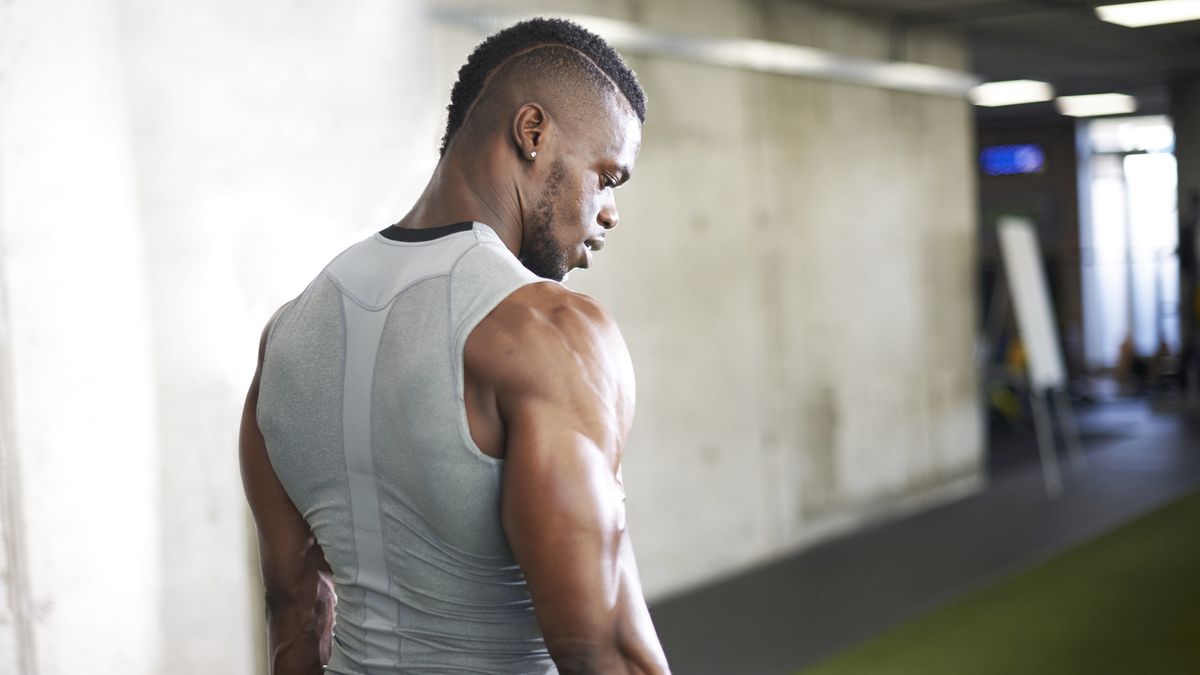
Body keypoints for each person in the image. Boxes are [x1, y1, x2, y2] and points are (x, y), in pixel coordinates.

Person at [238, 17, 670, 675]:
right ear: (533, 133)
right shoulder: (549, 331)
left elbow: (294, 609)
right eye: (608, 176)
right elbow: (603, 648)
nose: (609, 211)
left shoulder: (288, 335)